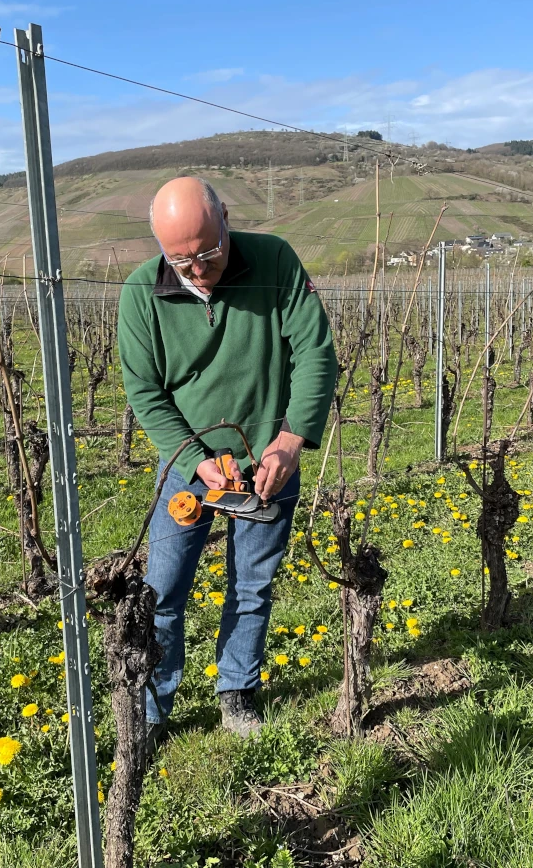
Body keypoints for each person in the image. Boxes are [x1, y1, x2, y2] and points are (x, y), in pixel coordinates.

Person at [117, 176, 337, 749]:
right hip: (186, 468)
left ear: (227, 221)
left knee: (252, 583)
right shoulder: (142, 294)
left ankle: (237, 691)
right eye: (180, 260)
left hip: (270, 461)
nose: (196, 270)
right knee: (161, 587)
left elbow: (314, 352)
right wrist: (194, 457)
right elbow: (145, 391)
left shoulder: (275, 261)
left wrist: (291, 440)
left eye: (208, 253)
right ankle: (152, 706)